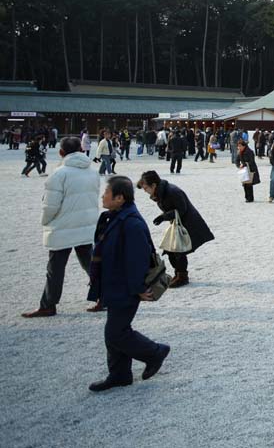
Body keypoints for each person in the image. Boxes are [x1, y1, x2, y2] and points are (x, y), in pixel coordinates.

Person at [85, 176, 170, 392]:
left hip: (125, 286)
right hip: (115, 282)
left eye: (107, 193)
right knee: (114, 330)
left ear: (120, 198)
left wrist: (139, 289)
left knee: (116, 332)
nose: (103, 196)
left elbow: (137, 260)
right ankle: (120, 374)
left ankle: (155, 352)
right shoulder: (116, 217)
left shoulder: (130, 223)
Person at [22, 137, 101, 318]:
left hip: (63, 227)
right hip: (85, 224)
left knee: (55, 269)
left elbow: (50, 206)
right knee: (91, 265)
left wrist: (45, 221)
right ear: (81, 150)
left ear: (61, 152)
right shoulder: (92, 172)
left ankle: (49, 304)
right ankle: (104, 297)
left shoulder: (59, 174)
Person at [137, 170, 215, 287]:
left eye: (146, 188)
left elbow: (181, 210)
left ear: (153, 185)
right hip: (178, 223)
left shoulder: (172, 192)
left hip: (189, 224)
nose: (145, 191)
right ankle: (178, 274)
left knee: (177, 250)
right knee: (171, 249)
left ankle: (182, 276)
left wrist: (164, 217)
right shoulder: (161, 192)